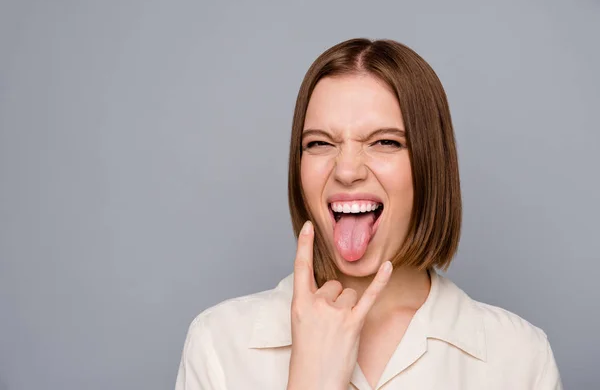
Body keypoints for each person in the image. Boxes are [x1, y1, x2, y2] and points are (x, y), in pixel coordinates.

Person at [174, 38, 562, 389]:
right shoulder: (219, 345)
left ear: (431, 164)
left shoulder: (520, 358)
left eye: (385, 142)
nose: (346, 170)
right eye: (320, 143)